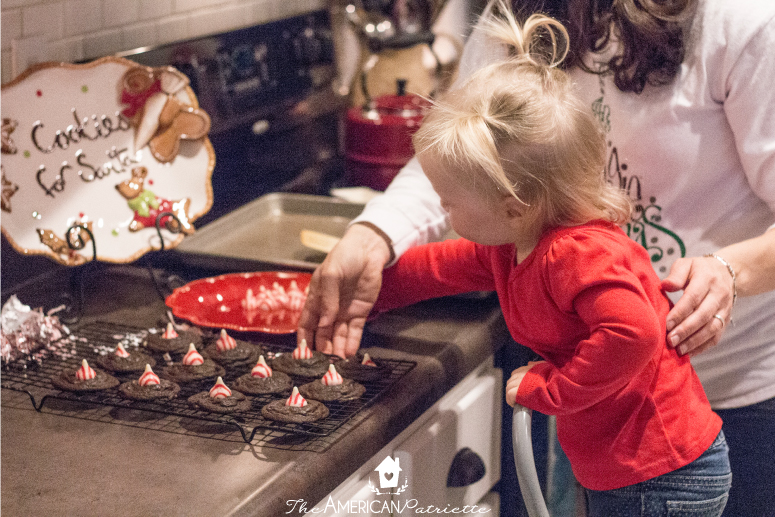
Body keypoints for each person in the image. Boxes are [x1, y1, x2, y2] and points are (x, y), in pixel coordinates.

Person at [298, 0, 775, 514]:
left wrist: (552, 387)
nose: (444, 206)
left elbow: (635, 332)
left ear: (514, 205)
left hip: (676, 438)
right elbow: (454, 214)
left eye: (449, 204)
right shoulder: (520, 239)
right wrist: (370, 273)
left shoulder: (574, 255)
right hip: (608, 424)